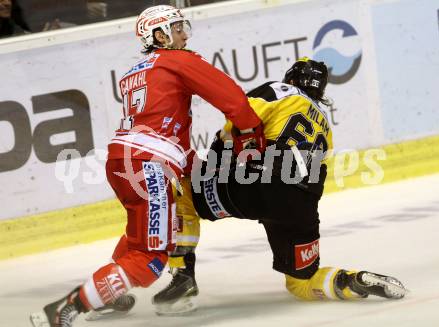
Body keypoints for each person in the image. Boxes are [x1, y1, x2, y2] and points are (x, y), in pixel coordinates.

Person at [29, 5, 265, 327]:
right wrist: (251, 134)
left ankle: (111, 294)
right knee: (151, 258)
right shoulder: (179, 60)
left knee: (141, 236)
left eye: (184, 26)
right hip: (149, 165)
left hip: (123, 160)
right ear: (158, 34)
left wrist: (192, 166)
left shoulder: (133, 73)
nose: (184, 34)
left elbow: (160, 128)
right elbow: (235, 101)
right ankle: (67, 308)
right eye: (177, 27)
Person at [147, 57, 407, 315]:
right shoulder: (325, 126)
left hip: (261, 184)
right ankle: (352, 281)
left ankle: (182, 277)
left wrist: (217, 151)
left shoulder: (280, 90)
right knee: (302, 283)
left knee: (180, 189)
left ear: (292, 78)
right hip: (301, 204)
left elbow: (240, 119)